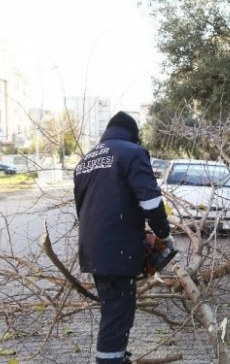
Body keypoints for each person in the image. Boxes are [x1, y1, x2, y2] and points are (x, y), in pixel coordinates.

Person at [73, 111, 174, 364]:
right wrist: (163, 234)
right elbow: (150, 201)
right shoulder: (132, 152)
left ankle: (117, 357)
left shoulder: (85, 160)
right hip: (118, 251)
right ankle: (110, 360)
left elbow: (81, 207)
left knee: (115, 312)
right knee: (117, 317)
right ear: (133, 134)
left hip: (94, 249)